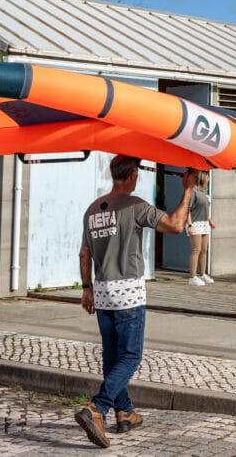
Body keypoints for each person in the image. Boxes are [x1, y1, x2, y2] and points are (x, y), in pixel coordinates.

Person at [76, 155, 195, 448]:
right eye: (137, 174)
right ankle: (97, 408)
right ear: (131, 175)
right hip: (128, 293)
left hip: (102, 293)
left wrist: (87, 288)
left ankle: (125, 412)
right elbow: (175, 225)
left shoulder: (93, 210)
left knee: (112, 357)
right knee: (130, 356)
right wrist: (188, 190)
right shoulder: (135, 206)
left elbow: (84, 253)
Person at [187, 170, 216, 285]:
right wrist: (189, 225)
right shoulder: (193, 192)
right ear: (202, 178)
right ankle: (192, 277)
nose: (208, 180)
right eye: (207, 177)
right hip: (195, 224)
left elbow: (203, 209)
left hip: (204, 224)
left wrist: (209, 220)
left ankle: (202, 274)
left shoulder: (203, 193)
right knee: (196, 250)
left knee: (204, 250)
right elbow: (187, 210)